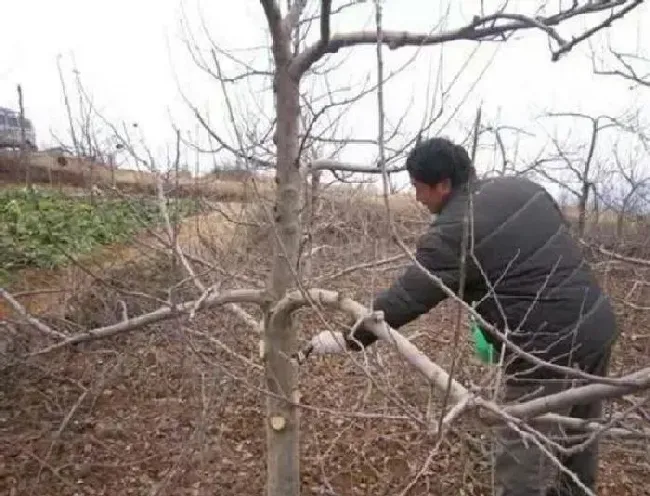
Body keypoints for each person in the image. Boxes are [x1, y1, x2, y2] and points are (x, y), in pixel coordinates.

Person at [339, 137, 618, 496]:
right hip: (596, 328)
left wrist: (352, 337)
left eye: (418, 188)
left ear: (442, 185)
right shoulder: (522, 188)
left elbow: (406, 298)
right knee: (579, 442)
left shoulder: (454, 230)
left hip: (544, 351)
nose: (418, 197)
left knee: (520, 464)